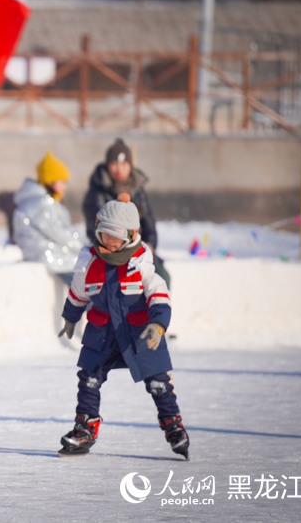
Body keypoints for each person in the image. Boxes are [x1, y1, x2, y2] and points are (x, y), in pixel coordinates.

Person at [57, 193, 189, 459]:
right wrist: (71, 317)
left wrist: (159, 324)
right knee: (89, 379)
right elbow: (79, 292)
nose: (110, 242)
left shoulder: (141, 262)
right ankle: (85, 428)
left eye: (116, 237)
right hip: (102, 334)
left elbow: (158, 293)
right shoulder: (90, 260)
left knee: (158, 382)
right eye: (105, 236)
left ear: (131, 235)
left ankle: (173, 425)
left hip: (139, 334)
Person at [82, 137, 171, 287]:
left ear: (130, 165)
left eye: (124, 164)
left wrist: (150, 244)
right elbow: (95, 226)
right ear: (108, 165)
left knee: (162, 279)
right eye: (114, 164)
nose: (119, 168)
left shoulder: (138, 190)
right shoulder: (97, 191)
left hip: (138, 248)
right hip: (109, 250)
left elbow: (149, 220)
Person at [12, 150, 85, 285]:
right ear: (50, 181)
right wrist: (85, 249)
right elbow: (59, 234)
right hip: (49, 257)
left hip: (48, 255)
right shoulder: (41, 204)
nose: (65, 186)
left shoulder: (39, 201)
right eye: (62, 182)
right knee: (89, 287)